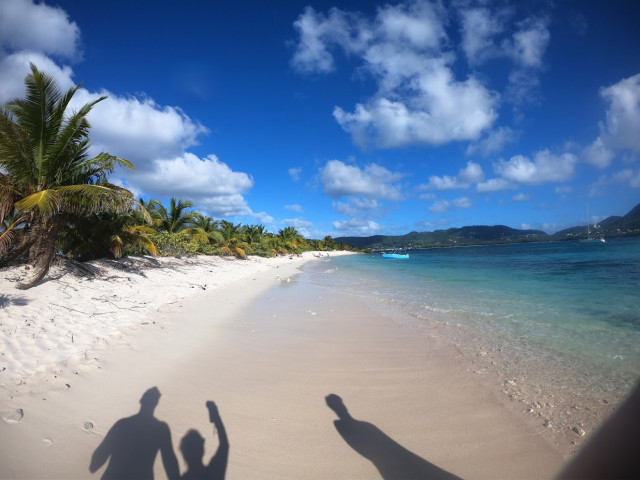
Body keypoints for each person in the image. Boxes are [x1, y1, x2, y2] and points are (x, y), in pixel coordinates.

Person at [90, 387, 180, 480]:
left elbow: (104, 448)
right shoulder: (161, 428)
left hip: (114, 475)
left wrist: (94, 465)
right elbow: (169, 458)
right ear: (155, 404)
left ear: (141, 400)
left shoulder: (123, 423)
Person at [180, 401, 229, 480]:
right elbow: (224, 445)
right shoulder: (214, 473)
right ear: (202, 448)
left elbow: (224, 445)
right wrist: (216, 418)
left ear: (183, 452)